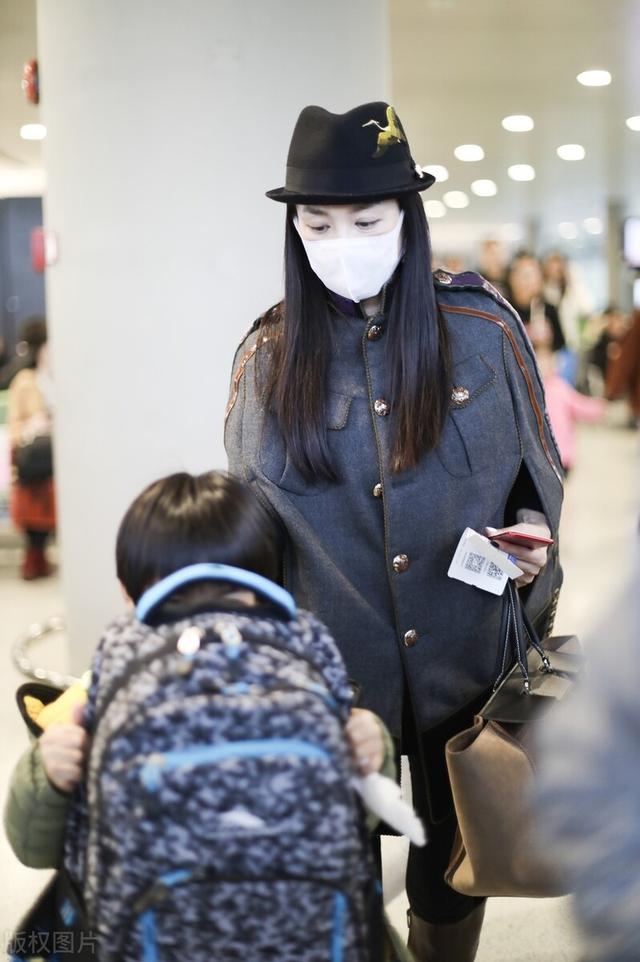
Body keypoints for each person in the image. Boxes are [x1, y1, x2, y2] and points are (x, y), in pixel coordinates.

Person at [224, 101, 564, 961]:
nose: (342, 241)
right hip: (331, 677)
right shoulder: (268, 361)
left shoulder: (483, 333)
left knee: (450, 868)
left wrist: (531, 547)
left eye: (367, 221)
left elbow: (537, 480)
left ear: (408, 216)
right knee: (335, 877)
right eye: (317, 224)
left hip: (465, 659)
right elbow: (248, 533)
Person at [5, 470, 408, 960]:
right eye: (179, 599)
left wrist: (370, 755)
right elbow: (353, 820)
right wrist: (47, 773)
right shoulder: (305, 668)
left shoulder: (99, 690)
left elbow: (37, 849)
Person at [7, 317, 55, 579]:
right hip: (35, 457)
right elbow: (15, 426)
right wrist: (34, 424)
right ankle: (35, 554)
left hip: (58, 455)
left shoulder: (59, 378)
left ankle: (38, 554)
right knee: (36, 489)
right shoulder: (25, 381)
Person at [529, 316, 605, 474]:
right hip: (541, 455)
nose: (543, 366)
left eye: (546, 361)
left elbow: (579, 405)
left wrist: (598, 407)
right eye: (539, 362)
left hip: (561, 454)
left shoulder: (560, 388)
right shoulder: (529, 390)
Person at [507, 252, 566, 353]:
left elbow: (562, 347)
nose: (533, 281)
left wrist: (548, 341)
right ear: (512, 279)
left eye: (536, 274)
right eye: (526, 276)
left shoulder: (548, 309)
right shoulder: (505, 311)